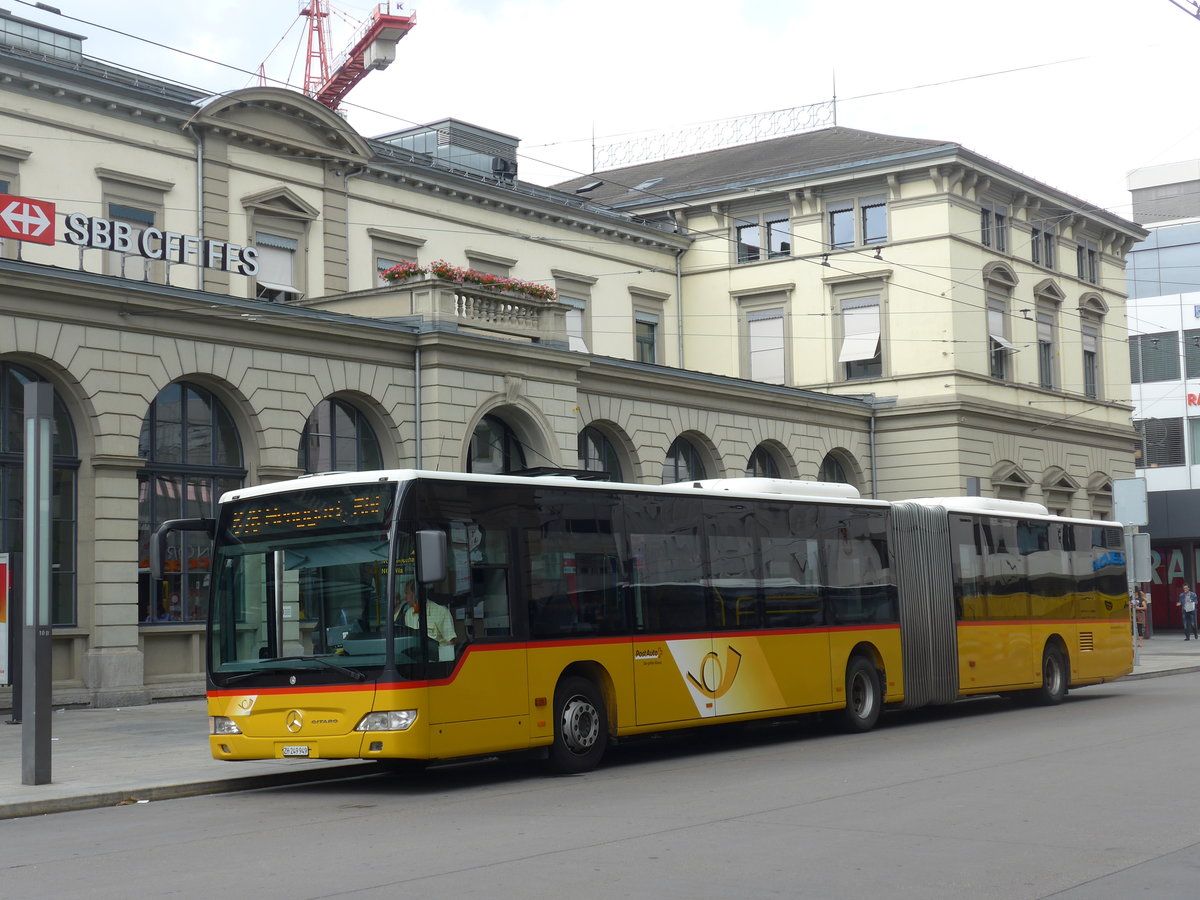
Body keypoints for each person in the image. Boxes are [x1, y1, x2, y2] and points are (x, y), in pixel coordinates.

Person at [397, 580, 457, 647]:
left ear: (416, 593)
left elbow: (450, 642)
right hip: (413, 655)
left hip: (435, 655)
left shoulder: (441, 612)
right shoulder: (408, 614)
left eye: (407, 593)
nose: (405, 597)